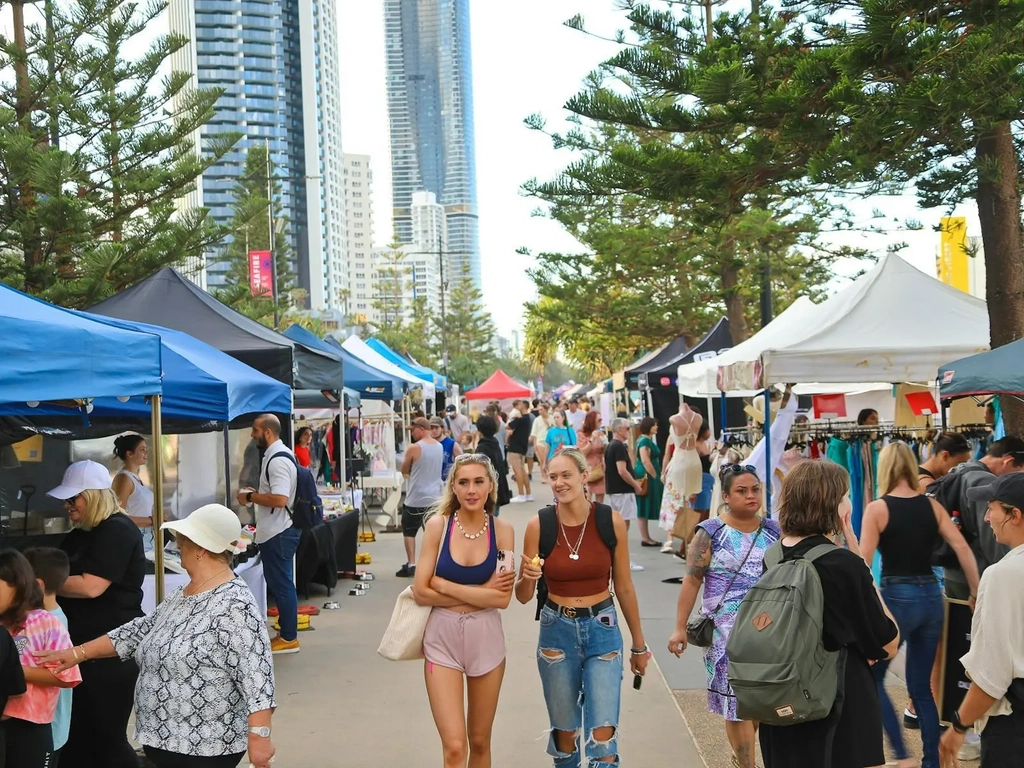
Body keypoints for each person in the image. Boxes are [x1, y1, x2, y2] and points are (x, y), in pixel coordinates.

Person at [37, 504, 277, 768]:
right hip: (167, 744)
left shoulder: (236, 606)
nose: (178, 546)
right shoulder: (186, 593)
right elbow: (138, 631)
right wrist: (76, 654)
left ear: (200, 549)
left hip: (205, 748)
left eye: (182, 541)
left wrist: (260, 738)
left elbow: (258, 680)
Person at [755, 460, 900, 768]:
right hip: (839, 699)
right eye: (845, 495)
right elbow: (888, 642)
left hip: (783, 696)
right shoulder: (843, 564)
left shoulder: (773, 556)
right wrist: (860, 559)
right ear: (834, 505)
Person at [515, 449, 649, 767]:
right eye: (553, 477)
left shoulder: (609, 521)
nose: (559, 483)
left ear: (584, 476)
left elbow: (625, 587)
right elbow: (522, 596)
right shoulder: (540, 525)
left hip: (602, 630)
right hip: (556, 631)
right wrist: (527, 576)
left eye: (566, 475)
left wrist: (639, 646)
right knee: (566, 739)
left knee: (603, 742)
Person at [859, 443, 980, 768]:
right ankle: (931, 762)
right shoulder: (932, 507)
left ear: (883, 468)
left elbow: (863, 566)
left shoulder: (877, 509)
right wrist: (975, 591)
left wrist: (871, 607)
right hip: (930, 597)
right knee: (922, 687)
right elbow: (962, 548)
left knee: (873, 679)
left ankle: (901, 754)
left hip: (897, 598)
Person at [667, 465, 780, 767]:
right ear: (727, 496)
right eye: (742, 491)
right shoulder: (711, 532)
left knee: (756, 702)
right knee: (737, 704)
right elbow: (691, 580)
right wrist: (679, 628)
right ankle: (747, 764)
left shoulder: (773, 531)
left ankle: (739, 755)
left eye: (755, 489)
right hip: (725, 634)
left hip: (768, 631)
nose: (751, 495)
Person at [411, 455, 515, 768]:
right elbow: (420, 591)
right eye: (464, 482)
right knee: (455, 747)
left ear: (491, 487)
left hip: (487, 641)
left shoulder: (504, 531)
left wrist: (445, 586)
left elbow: (502, 599)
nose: (471, 490)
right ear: (453, 488)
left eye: (479, 482)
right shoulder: (437, 527)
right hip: (441, 641)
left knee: (480, 741)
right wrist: (480, 595)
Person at [49, 459, 145, 768]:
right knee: (78, 738)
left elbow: (91, 586)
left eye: (72, 498)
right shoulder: (82, 532)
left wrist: (44, 584)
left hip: (110, 651)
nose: (67, 505)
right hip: (80, 650)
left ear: (92, 496)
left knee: (106, 739)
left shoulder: (117, 529)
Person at [939, 473, 1024, 766]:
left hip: (1014, 726)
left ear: (1015, 515)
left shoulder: (1003, 574)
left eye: (992, 509)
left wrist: (958, 726)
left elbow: (993, 675)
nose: (986, 518)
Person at [0, 550, 81, 767]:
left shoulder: (46, 622)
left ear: (18, 584)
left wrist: (15, 670)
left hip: (31, 725)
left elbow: (67, 676)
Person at [236, 414, 301, 655]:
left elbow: (280, 498)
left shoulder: (277, 460)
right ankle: (286, 633)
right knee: (282, 583)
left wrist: (250, 497)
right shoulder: (276, 456)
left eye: (255, 430)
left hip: (279, 532)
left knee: (282, 584)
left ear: (268, 432)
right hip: (277, 529)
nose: (252, 435)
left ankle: (288, 638)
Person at [23, 547, 75, 766]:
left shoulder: (52, 624)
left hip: (48, 729)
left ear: (37, 584)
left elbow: (60, 676)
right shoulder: (32, 618)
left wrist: (13, 671)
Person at [397, 417, 443, 578]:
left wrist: (408, 469)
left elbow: (404, 469)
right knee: (432, 533)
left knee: (409, 531)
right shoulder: (439, 446)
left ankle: (411, 563)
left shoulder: (414, 448)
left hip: (415, 497)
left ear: (422, 429)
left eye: (413, 430)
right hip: (435, 496)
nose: (412, 433)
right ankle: (433, 564)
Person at [605, 418, 645, 572]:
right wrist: (635, 485)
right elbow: (622, 470)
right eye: (627, 428)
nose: (629, 431)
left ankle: (618, 557)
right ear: (619, 429)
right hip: (622, 490)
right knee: (623, 525)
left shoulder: (612, 446)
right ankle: (621, 559)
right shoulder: (618, 447)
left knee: (619, 524)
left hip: (616, 490)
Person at [111, 434, 154, 547]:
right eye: (142, 449)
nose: (146, 453)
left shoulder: (135, 478)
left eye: (146, 449)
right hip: (132, 537)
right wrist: (152, 520)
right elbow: (119, 517)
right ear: (129, 454)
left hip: (146, 537)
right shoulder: (124, 479)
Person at [634, 417, 663, 548]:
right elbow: (646, 460)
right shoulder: (645, 441)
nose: (656, 427)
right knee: (643, 505)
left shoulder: (642, 439)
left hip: (644, 474)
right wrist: (655, 475)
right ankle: (645, 537)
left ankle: (646, 537)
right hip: (647, 476)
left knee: (643, 506)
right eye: (654, 425)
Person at [475, 416, 511, 515]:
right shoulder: (494, 443)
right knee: (493, 520)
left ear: (479, 431)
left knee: (488, 522)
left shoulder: (482, 448)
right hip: (498, 488)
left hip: (489, 491)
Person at [507, 400, 534, 503]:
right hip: (523, 446)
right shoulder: (528, 418)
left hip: (515, 447)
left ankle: (521, 494)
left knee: (517, 470)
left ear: (523, 406)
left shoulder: (520, 418)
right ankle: (528, 493)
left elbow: (508, 426)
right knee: (522, 470)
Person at [577, 410, 607, 503]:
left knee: (600, 501)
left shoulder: (601, 434)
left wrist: (605, 443)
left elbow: (604, 451)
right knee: (587, 499)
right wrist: (592, 439)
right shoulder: (581, 434)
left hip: (599, 468)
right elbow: (582, 452)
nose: (601, 422)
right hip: (587, 468)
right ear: (592, 420)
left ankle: (597, 517)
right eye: (599, 420)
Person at [531, 403, 552, 481]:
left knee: (550, 459)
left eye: (541, 409)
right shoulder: (537, 420)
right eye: (539, 410)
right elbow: (534, 433)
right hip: (540, 441)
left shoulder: (552, 418)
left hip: (550, 441)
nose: (540, 411)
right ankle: (544, 476)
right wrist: (534, 444)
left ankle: (550, 474)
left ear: (546, 410)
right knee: (542, 460)